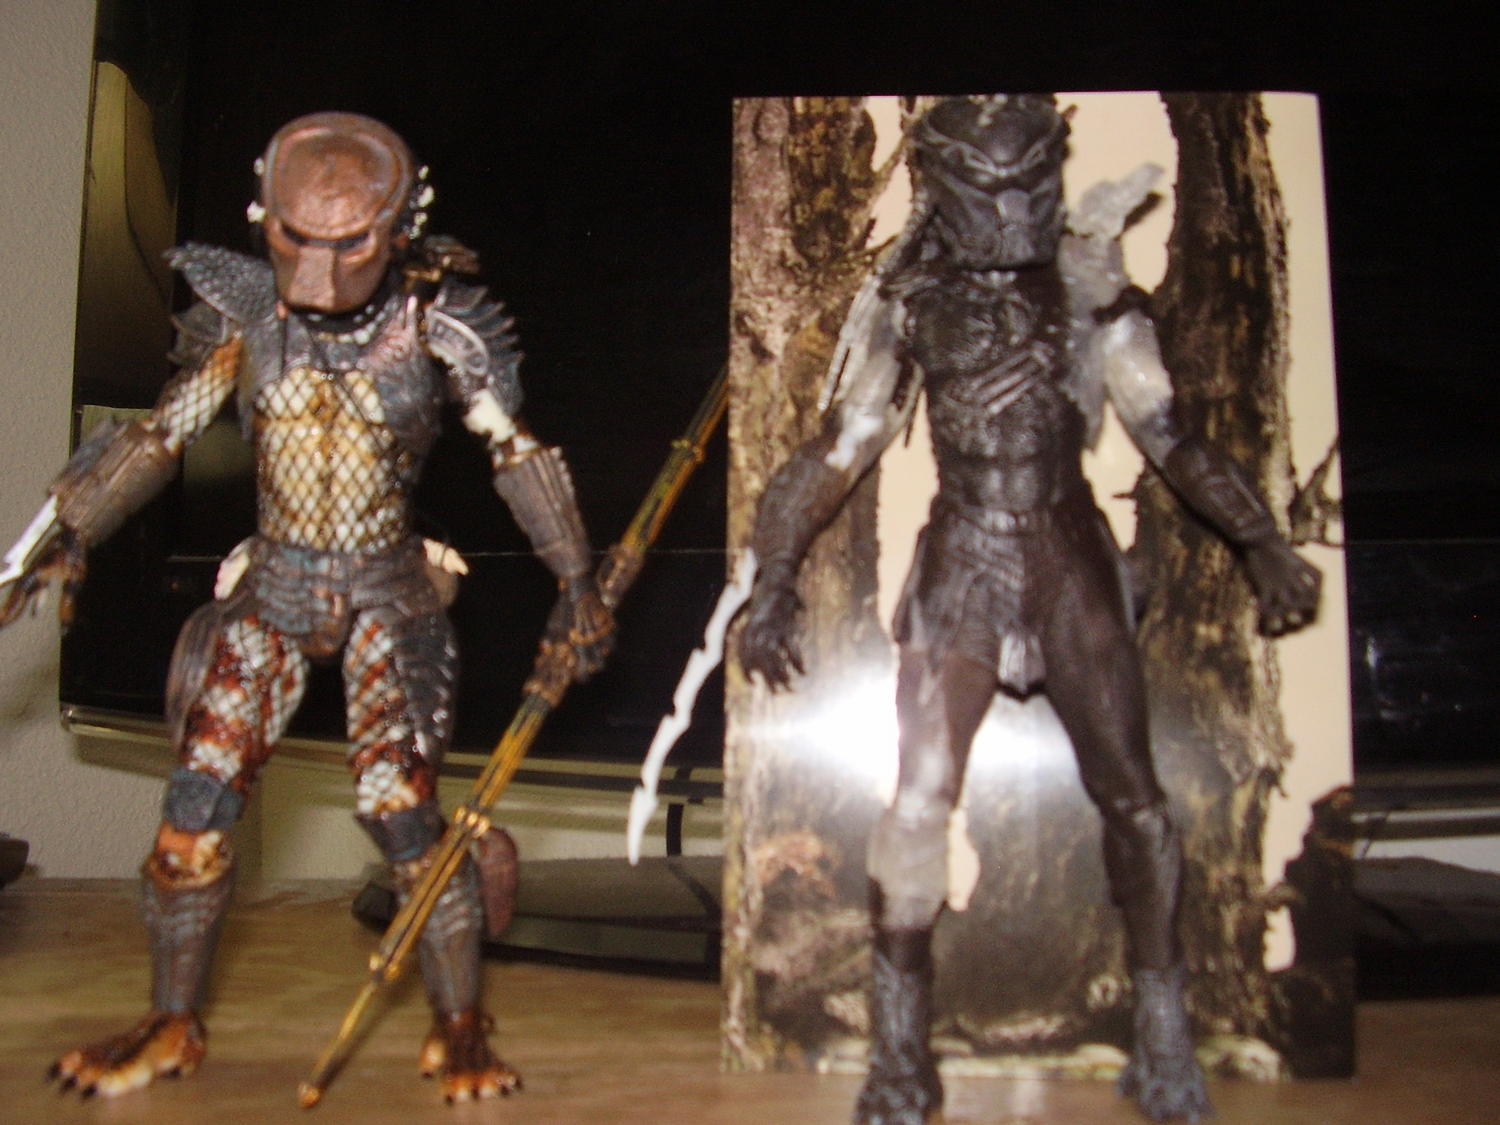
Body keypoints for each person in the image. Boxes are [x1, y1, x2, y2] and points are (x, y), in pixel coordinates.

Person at [3, 112, 612, 1102]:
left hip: (389, 597)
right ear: (264, 218)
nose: (319, 277)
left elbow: (516, 451)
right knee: (189, 824)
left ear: (400, 227)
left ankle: (461, 1025)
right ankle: (171, 1022)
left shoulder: (439, 325)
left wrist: (577, 581)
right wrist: (61, 535)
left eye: (352, 244)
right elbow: (160, 437)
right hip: (274, 590)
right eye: (296, 239)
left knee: (403, 819)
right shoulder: (242, 321)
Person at [738, 94, 1320, 1124]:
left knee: (1136, 801)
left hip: (1067, 558)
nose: (1012, 211)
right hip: (963, 560)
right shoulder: (910, 300)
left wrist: (1262, 539)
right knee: (918, 804)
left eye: (1028, 185)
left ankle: (1164, 1031)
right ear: (947, 187)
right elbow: (841, 448)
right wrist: (774, 575)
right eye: (990, 189)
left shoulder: (1092, 290)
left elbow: (1170, 436)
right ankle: (901, 1054)